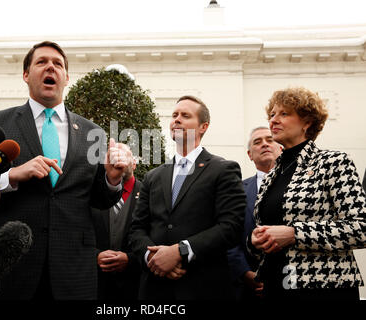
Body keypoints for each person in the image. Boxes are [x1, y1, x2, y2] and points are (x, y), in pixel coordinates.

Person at [0, 41, 131, 300]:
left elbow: (99, 199)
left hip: (72, 270)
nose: (51, 66)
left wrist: (112, 179)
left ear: (66, 77)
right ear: (26, 75)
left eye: (58, 64)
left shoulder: (92, 132)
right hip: (6, 267)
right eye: (41, 62)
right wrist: (11, 177)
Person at [248, 87, 366, 300]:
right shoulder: (274, 174)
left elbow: (361, 228)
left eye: (284, 114)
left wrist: (294, 234)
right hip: (276, 284)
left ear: (307, 122)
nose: (274, 120)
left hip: (323, 287)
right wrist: (255, 241)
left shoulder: (333, 163)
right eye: (272, 114)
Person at [129, 95, 246, 300]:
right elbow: (137, 229)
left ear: (203, 127)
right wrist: (152, 259)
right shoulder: (153, 176)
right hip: (155, 290)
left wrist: (181, 251)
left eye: (185, 115)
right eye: (174, 115)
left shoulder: (223, 169)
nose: (177, 119)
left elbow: (231, 226)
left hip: (202, 287)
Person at [227, 126, 281, 300]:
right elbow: (228, 236)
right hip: (246, 288)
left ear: (280, 148)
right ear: (250, 154)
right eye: (257, 142)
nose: (264, 144)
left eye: (269, 140)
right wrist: (244, 272)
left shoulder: (301, 188)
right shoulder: (235, 191)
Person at [91, 144, 142, 300]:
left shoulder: (151, 194)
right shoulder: (91, 194)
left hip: (134, 286)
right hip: (95, 285)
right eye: (113, 156)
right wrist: (95, 256)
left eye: (123, 155)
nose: (117, 160)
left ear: (134, 163)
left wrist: (130, 260)